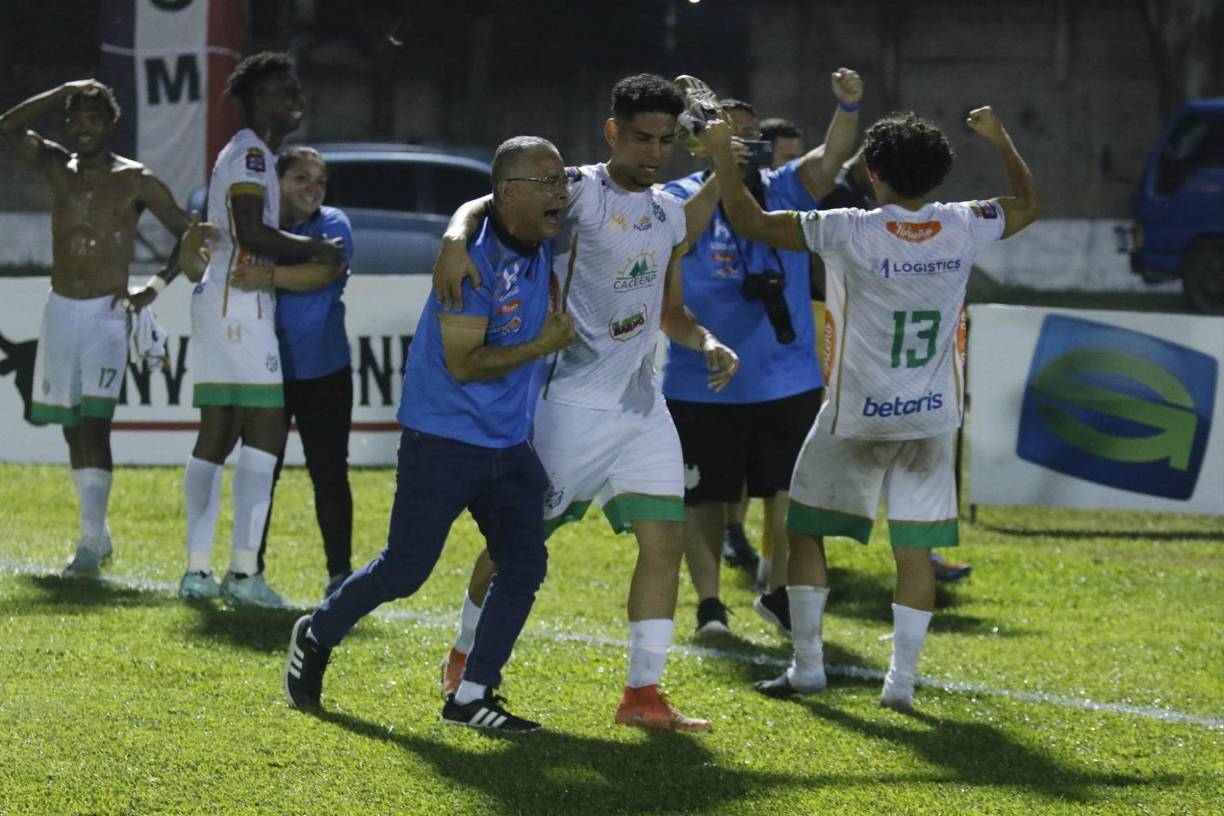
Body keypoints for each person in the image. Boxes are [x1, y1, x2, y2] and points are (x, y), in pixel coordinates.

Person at [699, 105, 1037, 711]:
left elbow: (749, 223)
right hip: (931, 416)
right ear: (938, 173)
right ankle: (900, 685)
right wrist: (1001, 138)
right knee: (914, 548)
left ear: (873, 172)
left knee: (803, 532)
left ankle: (808, 669)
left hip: (854, 413)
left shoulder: (846, 227)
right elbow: (1027, 204)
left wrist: (724, 155)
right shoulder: (965, 222)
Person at [434, 74, 739, 732]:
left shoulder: (666, 215)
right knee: (518, 545)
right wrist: (456, 240)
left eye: (663, 140)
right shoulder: (577, 190)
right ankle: (464, 654)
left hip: (640, 406)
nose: (653, 151)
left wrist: (707, 341)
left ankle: (642, 694)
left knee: (664, 541)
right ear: (612, 133)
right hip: (568, 403)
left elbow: (671, 312)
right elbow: (492, 199)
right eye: (640, 138)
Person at [284, 136, 576, 732]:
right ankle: (315, 632)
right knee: (404, 571)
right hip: (443, 439)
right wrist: (542, 345)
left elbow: (477, 201)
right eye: (546, 184)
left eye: (561, 180)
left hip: (507, 443)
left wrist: (453, 230)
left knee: (524, 562)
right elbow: (466, 364)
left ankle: (471, 696)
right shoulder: (472, 265)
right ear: (511, 194)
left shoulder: (510, 230)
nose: (561, 194)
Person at [662, 71, 862, 636]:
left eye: (750, 137)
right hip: (699, 378)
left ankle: (773, 589)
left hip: (787, 378)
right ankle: (708, 605)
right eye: (730, 135)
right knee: (703, 498)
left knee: (786, 492)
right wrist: (719, 171)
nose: (744, 145)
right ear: (700, 141)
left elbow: (833, 157)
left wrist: (848, 107)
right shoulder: (677, 195)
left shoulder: (784, 188)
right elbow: (682, 238)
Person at [0, 79, 204, 575]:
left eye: (95, 117)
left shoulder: (136, 180)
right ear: (67, 124)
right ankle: (96, 534)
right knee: (72, 424)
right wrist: (63, 89)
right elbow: (6, 128)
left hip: (106, 316)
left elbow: (190, 233)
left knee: (95, 422)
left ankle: (90, 544)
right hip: (61, 309)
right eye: (77, 117)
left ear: (111, 124)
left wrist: (154, 286)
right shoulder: (55, 164)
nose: (84, 126)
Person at [177, 52, 342, 607]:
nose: (295, 94)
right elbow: (250, 229)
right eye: (282, 88)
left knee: (218, 433)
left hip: (222, 302)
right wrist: (316, 245)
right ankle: (243, 574)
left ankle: (199, 572)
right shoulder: (250, 152)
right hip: (239, 307)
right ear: (255, 99)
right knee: (265, 432)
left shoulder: (250, 153)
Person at [231, 146, 356, 599]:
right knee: (261, 471)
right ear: (277, 182)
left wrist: (267, 278)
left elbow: (321, 272)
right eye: (302, 178)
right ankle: (248, 572)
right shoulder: (257, 229)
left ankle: (340, 575)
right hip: (266, 372)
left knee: (329, 474)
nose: (313, 188)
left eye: (320, 181)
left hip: (326, 371)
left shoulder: (333, 224)